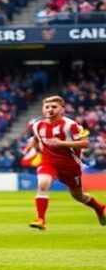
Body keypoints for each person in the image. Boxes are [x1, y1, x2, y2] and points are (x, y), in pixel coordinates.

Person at [25, 95, 105, 230]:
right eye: (47, 107)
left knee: (79, 196)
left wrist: (61, 143)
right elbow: (36, 138)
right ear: (43, 109)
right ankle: (41, 219)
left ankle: (99, 208)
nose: (50, 110)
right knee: (43, 184)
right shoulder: (37, 125)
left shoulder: (72, 125)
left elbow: (85, 143)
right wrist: (31, 147)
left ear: (62, 109)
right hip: (48, 162)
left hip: (70, 166)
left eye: (54, 107)